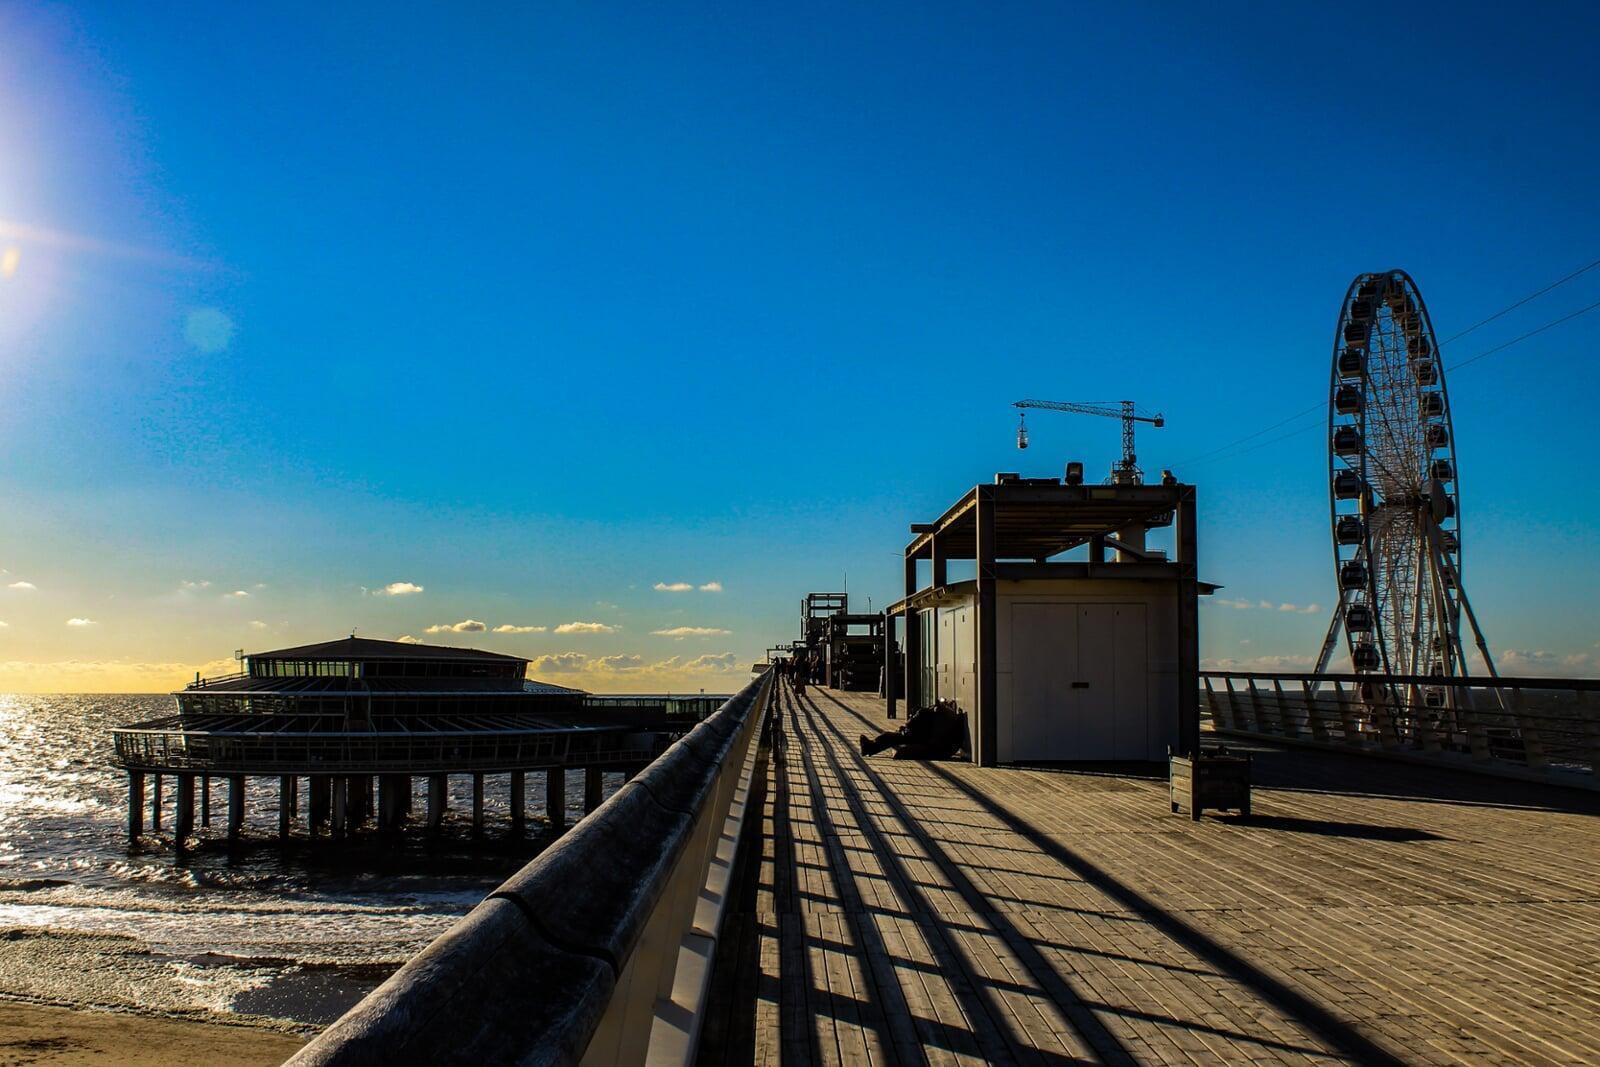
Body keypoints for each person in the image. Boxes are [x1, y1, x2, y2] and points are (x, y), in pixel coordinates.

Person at [860, 699, 966, 760]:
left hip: (921, 738)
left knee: (890, 736)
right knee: (891, 736)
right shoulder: (940, 718)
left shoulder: (928, 714)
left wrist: (907, 728)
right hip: (923, 737)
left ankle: (869, 748)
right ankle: (870, 747)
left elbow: (916, 727)